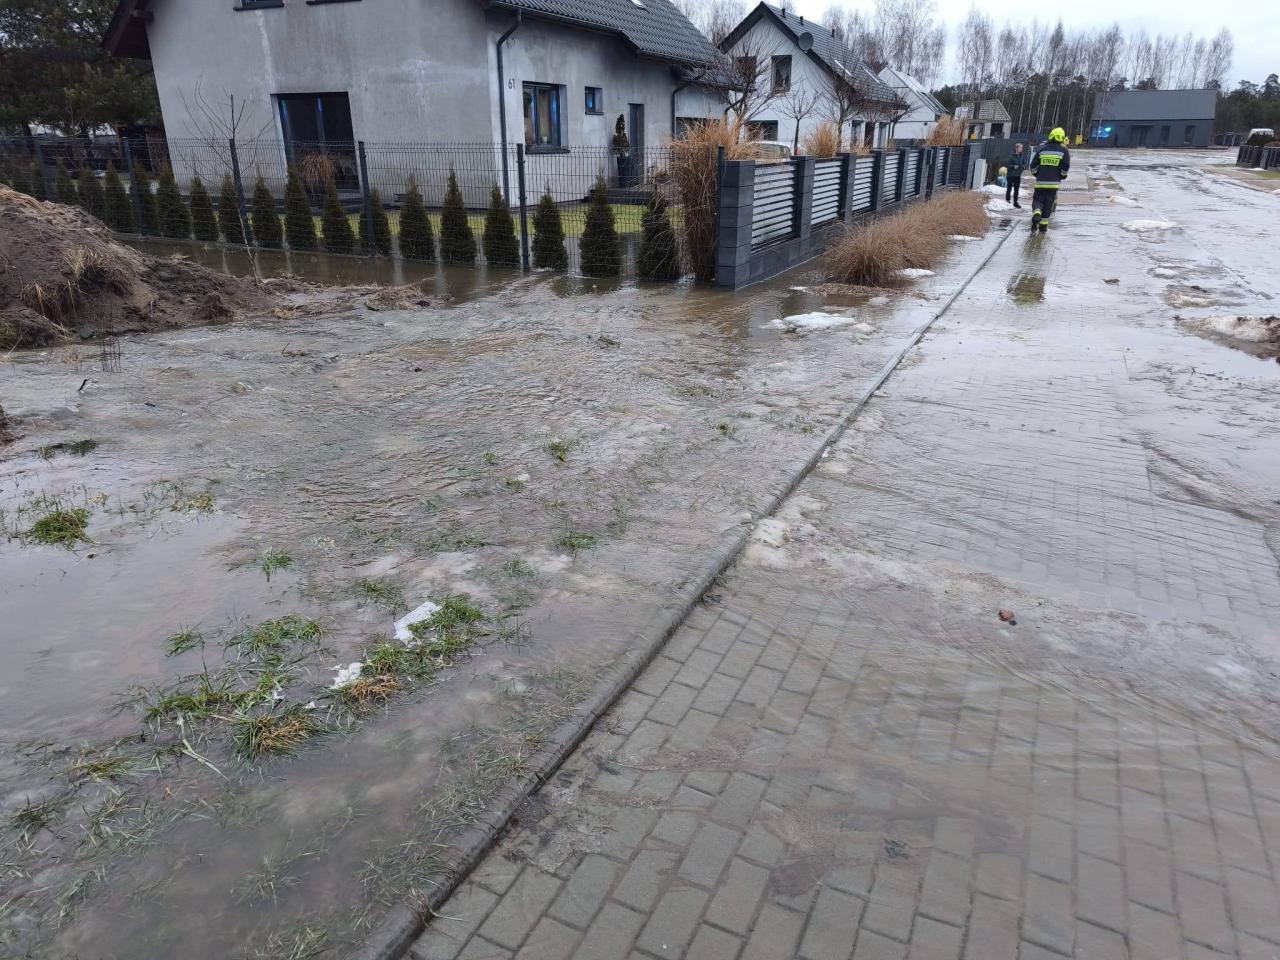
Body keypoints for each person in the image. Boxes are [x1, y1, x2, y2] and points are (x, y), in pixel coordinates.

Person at [1028, 128, 1071, 233]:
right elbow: (1065, 167)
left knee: (1037, 200)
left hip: (1040, 183)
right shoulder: (1064, 150)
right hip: (1053, 185)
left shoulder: (1042, 149)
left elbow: (1033, 166)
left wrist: (1037, 175)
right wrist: (1062, 176)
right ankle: (1043, 228)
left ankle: (1036, 213)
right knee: (1048, 205)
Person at [1005, 142, 1026, 208]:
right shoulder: (1011, 156)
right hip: (1011, 175)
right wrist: (1013, 166)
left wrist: (1023, 167)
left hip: (1018, 175)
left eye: (1022, 147)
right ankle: (1007, 200)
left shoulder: (1022, 156)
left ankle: (1015, 202)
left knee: (1016, 190)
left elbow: (1024, 163)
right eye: (1020, 147)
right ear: (1016, 148)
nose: (1021, 149)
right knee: (1009, 188)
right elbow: (1008, 165)